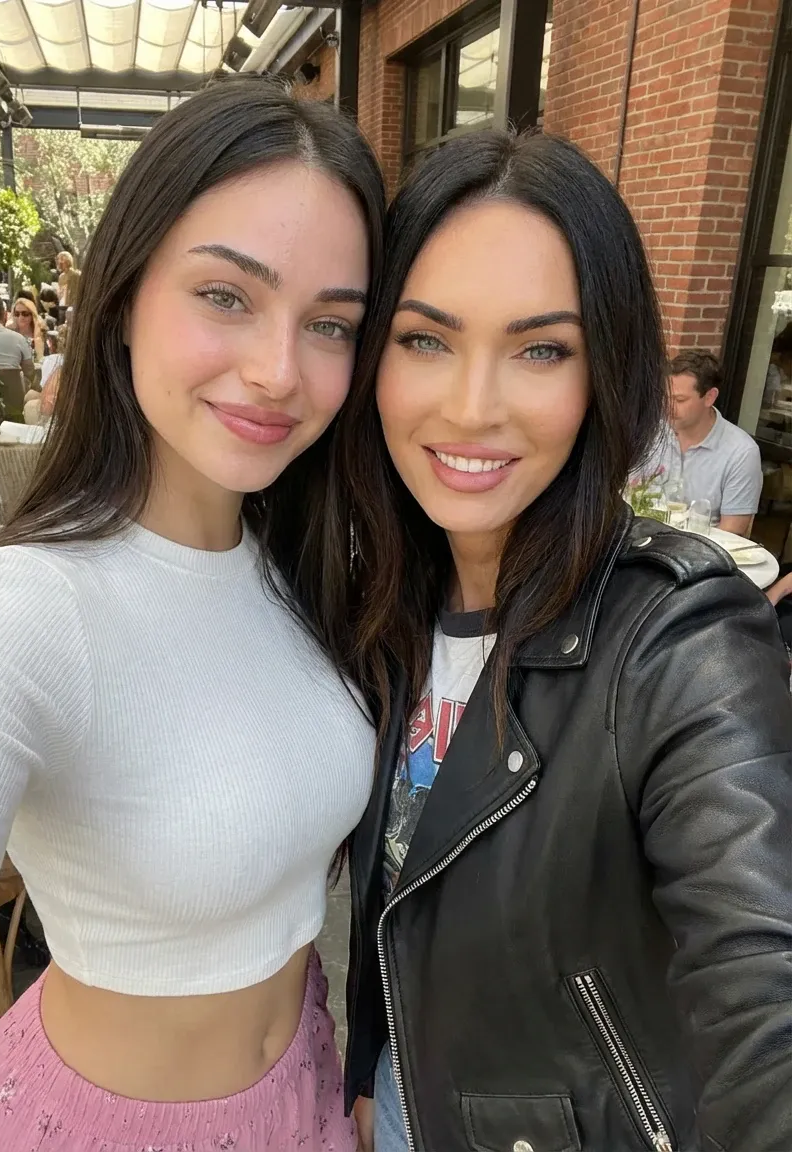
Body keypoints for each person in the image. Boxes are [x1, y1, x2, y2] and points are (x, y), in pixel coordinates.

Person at [0, 76, 385, 1152]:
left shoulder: (310, 570)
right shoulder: (14, 615)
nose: (279, 370)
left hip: (310, 1091)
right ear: (122, 298)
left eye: (329, 323)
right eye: (226, 296)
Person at [334, 130, 792, 1152]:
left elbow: (763, 979)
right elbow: (395, 886)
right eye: (424, 339)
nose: (471, 406)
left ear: (604, 374)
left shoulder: (678, 639)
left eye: (541, 348)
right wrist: (370, 1061)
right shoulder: (381, 604)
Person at [651, 349, 763, 536]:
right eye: (665, 397)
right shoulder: (651, 432)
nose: (668, 407)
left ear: (710, 397)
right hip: (643, 546)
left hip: (702, 555)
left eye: (679, 400)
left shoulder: (741, 452)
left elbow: (732, 531)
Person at [8, 295, 46, 360]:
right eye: (17, 314)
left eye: (25, 314)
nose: (20, 317)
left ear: (32, 315)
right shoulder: (9, 333)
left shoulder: (42, 334)